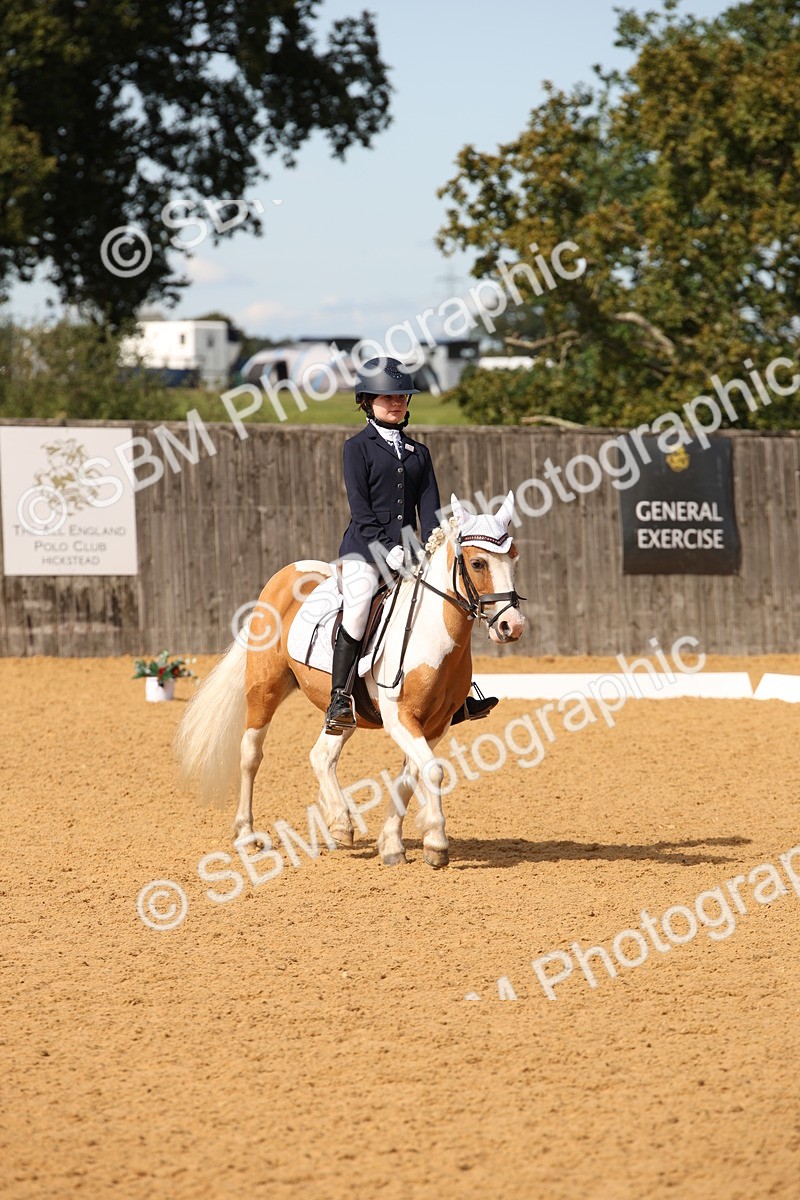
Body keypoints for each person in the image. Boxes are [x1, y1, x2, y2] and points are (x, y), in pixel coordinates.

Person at [325, 356, 497, 734]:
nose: (397, 402)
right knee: (356, 610)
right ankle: (339, 696)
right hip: (364, 550)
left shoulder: (420, 453)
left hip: (410, 552)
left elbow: (431, 514)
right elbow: (361, 509)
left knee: (449, 607)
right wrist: (390, 548)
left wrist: (430, 550)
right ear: (367, 401)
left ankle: (458, 694)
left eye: (402, 396)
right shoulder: (357, 448)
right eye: (388, 397)